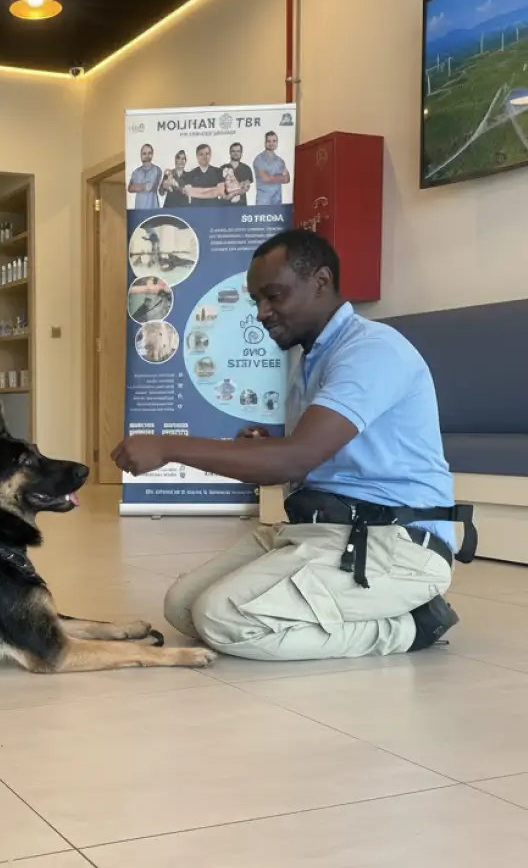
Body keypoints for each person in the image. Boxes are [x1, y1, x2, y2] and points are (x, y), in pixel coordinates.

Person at [112, 229, 474, 662]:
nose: (262, 313)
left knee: (221, 618)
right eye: (256, 300)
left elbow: (295, 459)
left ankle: (410, 627)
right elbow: (311, 457)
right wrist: (268, 448)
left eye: (274, 296)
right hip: (324, 528)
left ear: (320, 281)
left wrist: (167, 446)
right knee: (183, 606)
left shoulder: (372, 351)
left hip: (396, 542)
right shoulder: (311, 359)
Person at [253, 132, 290, 205]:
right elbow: (266, 178)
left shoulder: (280, 161)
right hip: (263, 202)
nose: (271, 143)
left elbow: (287, 179)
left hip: (277, 201)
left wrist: (273, 177)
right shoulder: (259, 159)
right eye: (269, 141)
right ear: (265, 142)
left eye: (274, 141)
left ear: (277, 142)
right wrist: (280, 177)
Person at [128, 143, 163, 210]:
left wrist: (137, 186)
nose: (147, 156)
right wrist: (144, 186)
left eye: (149, 153)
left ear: (152, 154)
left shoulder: (157, 170)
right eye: (144, 154)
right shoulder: (136, 172)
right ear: (141, 155)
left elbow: (151, 187)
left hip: (153, 210)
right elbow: (130, 188)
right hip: (139, 210)